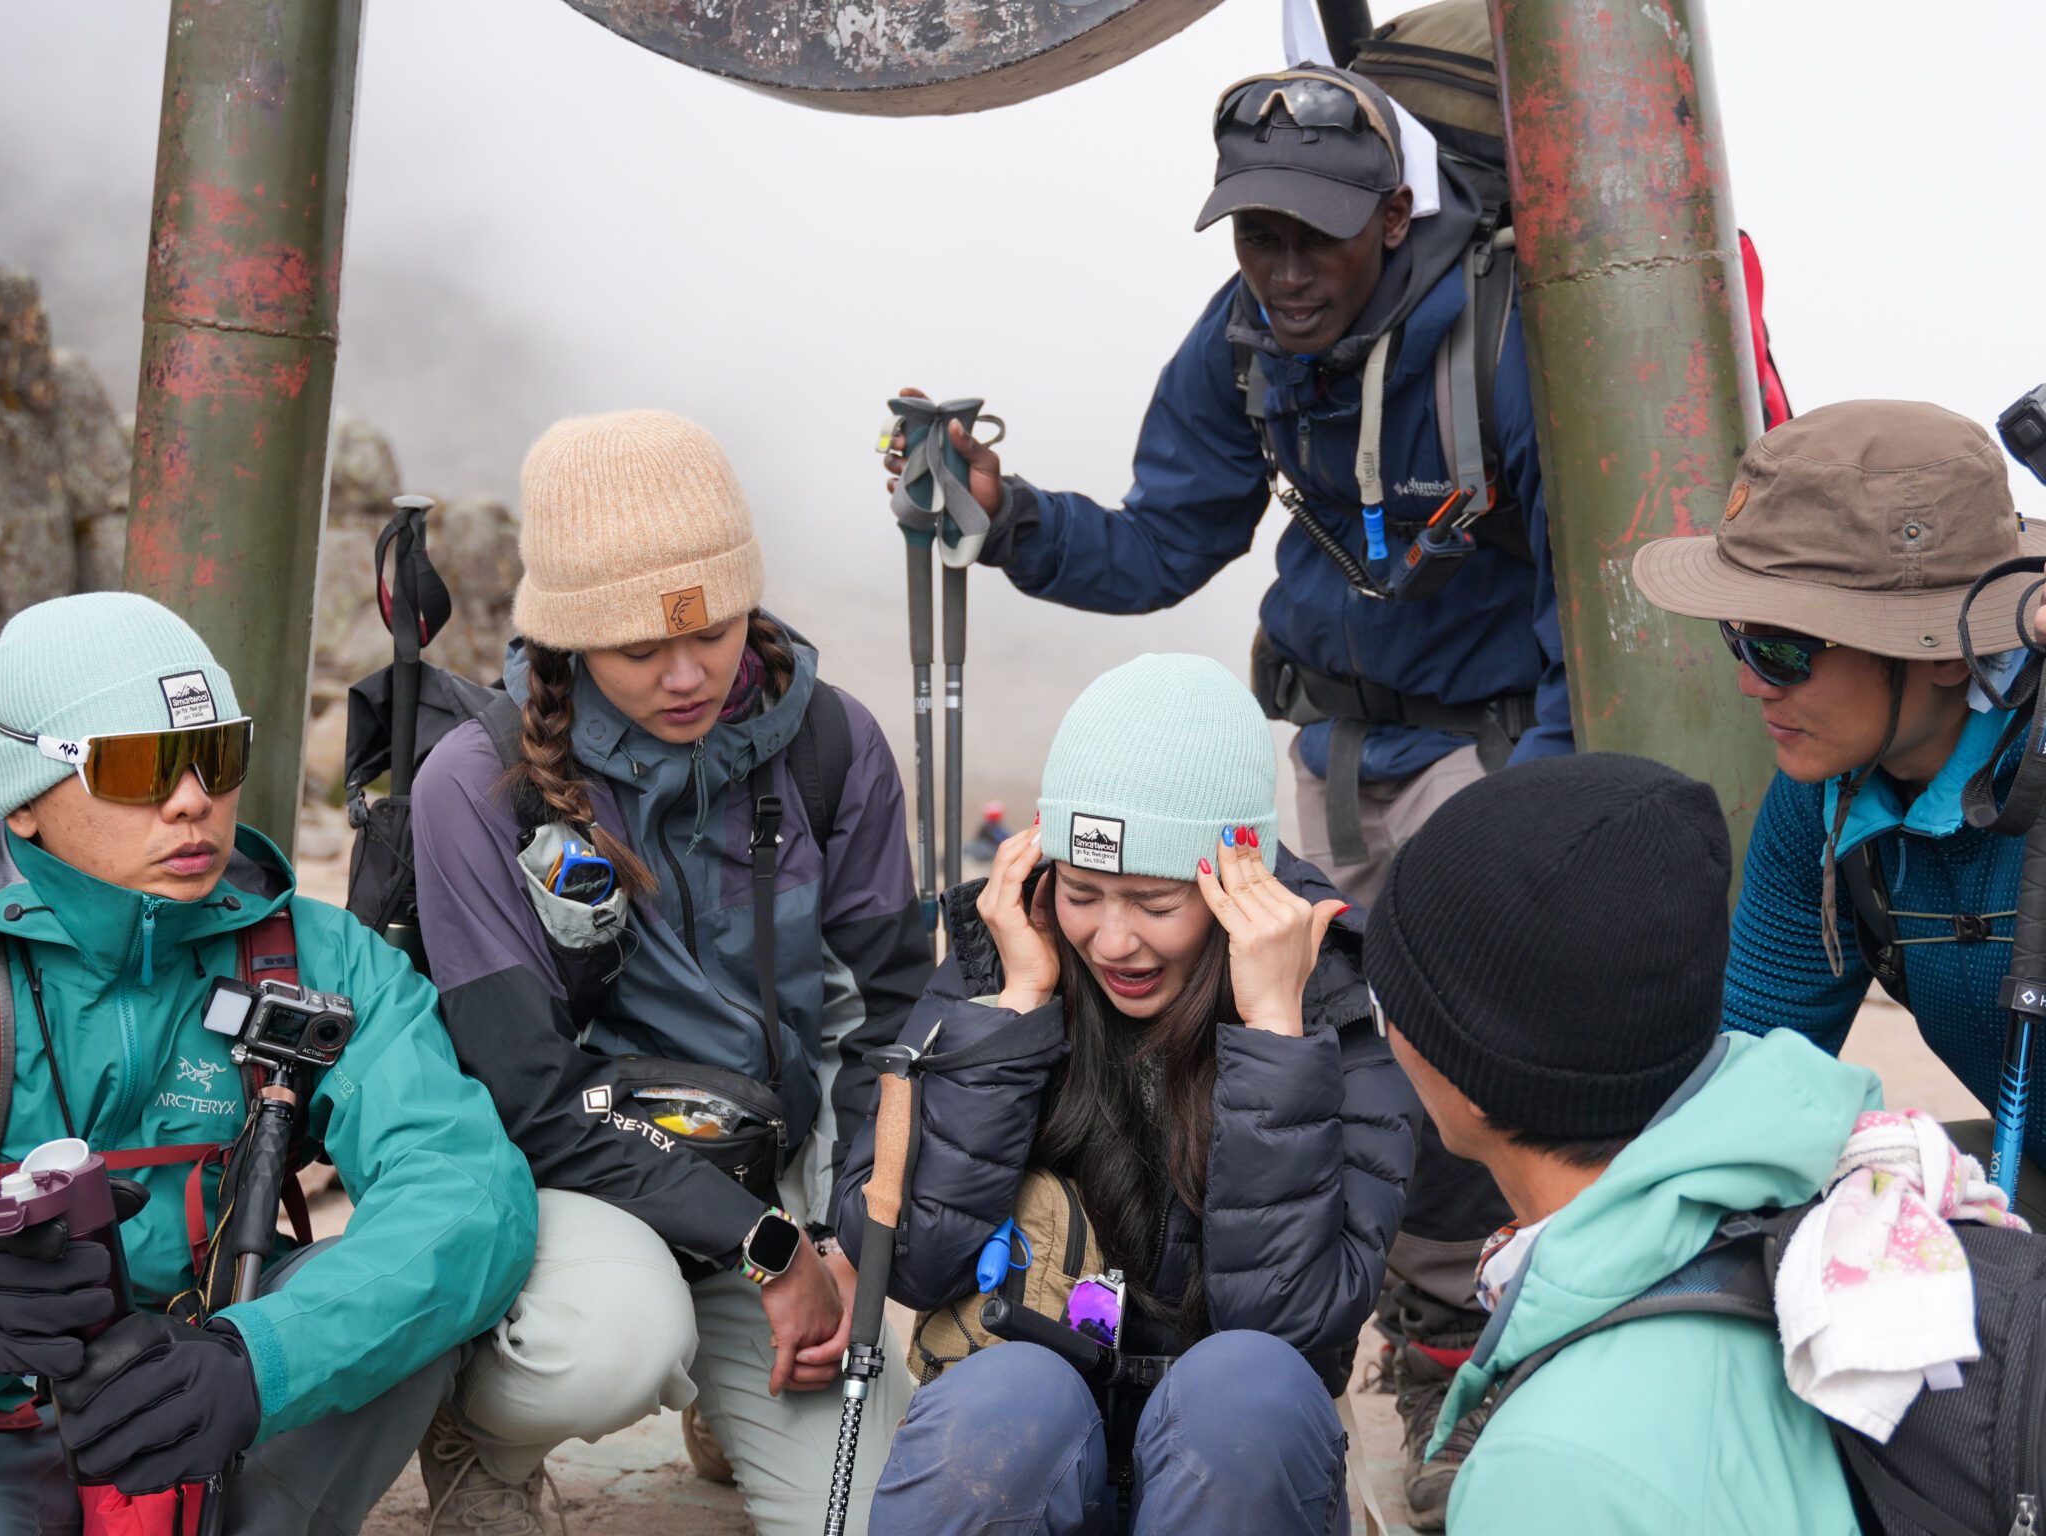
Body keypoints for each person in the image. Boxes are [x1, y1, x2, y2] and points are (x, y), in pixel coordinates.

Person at [883, 65, 1567, 1519]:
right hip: (1325, 749)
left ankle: (1456, 1364)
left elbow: (1581, 588)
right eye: (1258, 234)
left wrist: (1543, 818)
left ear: (1395, 216)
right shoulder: (1244, 341)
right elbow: (1161, 546)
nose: (1285, 267)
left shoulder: (1504, 340)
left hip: (1491, 749)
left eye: (1318, 234)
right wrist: (1010, 518)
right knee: (1314, 1042)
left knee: (1461, 1063)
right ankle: (1320, 1349)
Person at [409, 409, 930, 1536]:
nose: (688, 676)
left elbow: (890, 1020)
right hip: (581, 1193)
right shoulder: (473, 785)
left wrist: (847, 1237)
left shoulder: (833, 747)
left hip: (779, 1196)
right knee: (617, 1348)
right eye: (640, 650)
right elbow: (528, 1099)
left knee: (872, 1520)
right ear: (567, 636)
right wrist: (769, 1250)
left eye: (715, 631)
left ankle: (730, 1393)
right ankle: (484, 1434)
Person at [834, 653, 1417, 1535]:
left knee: (1244, 1387)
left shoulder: (1334, 1002)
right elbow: (904, 1260)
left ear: (1236, 881)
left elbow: (1289, 1323)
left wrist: (1273, 1034)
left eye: (1154, 901)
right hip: (1033, 1448)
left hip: (1233, 1474)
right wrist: (1013, 1014)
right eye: (1083, 891)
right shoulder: (1004, 958)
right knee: (1004, 1395)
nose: (1112, 940)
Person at [0, 592, 537, 1535]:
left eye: (217, 756)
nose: (192, 800)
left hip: (217, 1397)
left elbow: (466, 1193)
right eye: (137, 764)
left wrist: (262, 1361)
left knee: (393, 1311)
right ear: (24, 801)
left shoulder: (321, 960)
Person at [1361, 751, 1868, 1534]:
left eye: (1390, 1005)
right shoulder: (1825, 1201)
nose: (1388, 1031)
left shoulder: (1546, 1474)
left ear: (1472, 1078)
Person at [1632, 399, 2046, 1223]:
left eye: (1783, 649)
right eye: (1738, 636)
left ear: (1941, 653)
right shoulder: (1819, 798)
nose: (1750, 682)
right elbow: (1746, 1081)